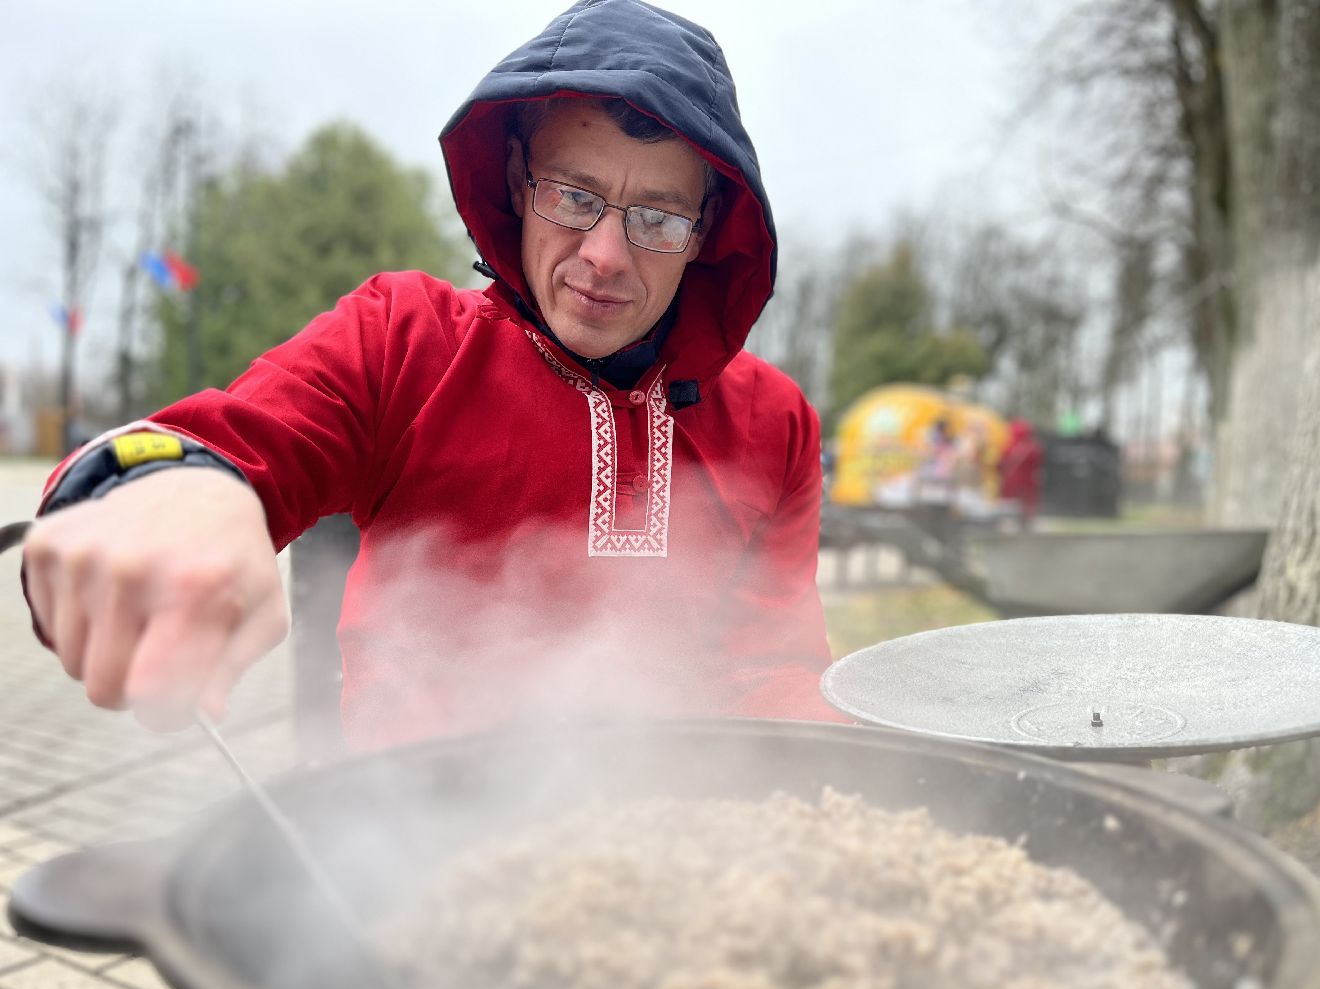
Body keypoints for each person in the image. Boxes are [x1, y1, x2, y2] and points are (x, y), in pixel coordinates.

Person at [19, 0, 840, 750]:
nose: (604, 255)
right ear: (518, 183)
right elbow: (227, 443)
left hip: (677, 853)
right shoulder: (402, 340)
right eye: (572, 195)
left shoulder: (776, 424)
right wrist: (170, 492)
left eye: (658, 218)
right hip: (404, 852)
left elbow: (774, 672)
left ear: (705, 234)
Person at [997, 418, 1045, 529]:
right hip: (1028, 480)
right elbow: (1037, 463)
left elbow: (1001, 462)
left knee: (1010, 502)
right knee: (1026, 502)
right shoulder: (1034, 447)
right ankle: (1026, 521)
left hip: (1011, 480)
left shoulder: (1009, 446)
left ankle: (1010, 522)